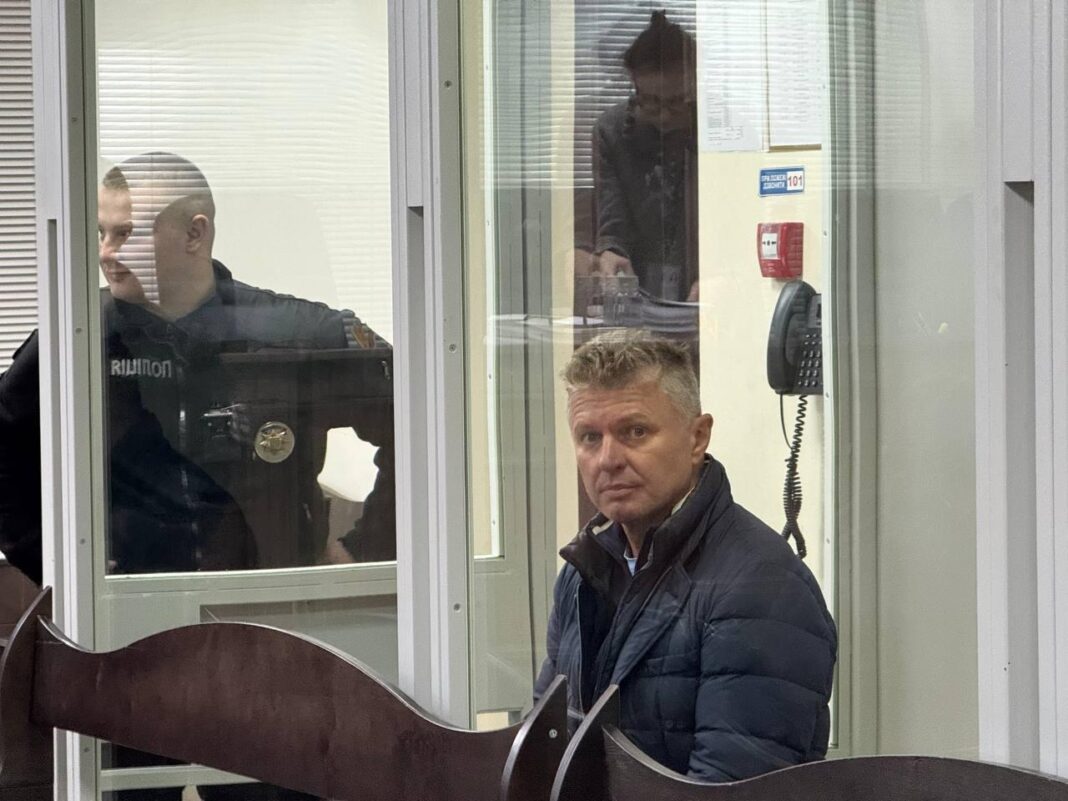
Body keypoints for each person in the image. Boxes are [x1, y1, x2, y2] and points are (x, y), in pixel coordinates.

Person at [0, 152, 396, 800]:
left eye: (126, 232)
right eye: (101, 232)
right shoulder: (78, 341)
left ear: (195, 232)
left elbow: (418, 417)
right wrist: (59, 565)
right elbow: (6, 452)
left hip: (270, 645)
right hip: (128, 644)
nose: (106, 251)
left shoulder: (290, 332)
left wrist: (363, 548)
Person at [534, 330, 836, 783]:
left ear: (698, 438)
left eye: (635, 431)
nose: (608, 459)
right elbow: (540, 750)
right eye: (589, 437)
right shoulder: (582, 572)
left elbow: (730, 790)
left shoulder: (762, 587)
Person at [587, 11, 700, 303]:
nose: (663, 115)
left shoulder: (721, 131)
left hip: (706, 279)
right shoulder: (612, 131)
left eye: (676, 103)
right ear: (633, 84)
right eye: (649, 101)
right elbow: (612, 215)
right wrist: (612, 250)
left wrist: (724, 270)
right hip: (642, 284)